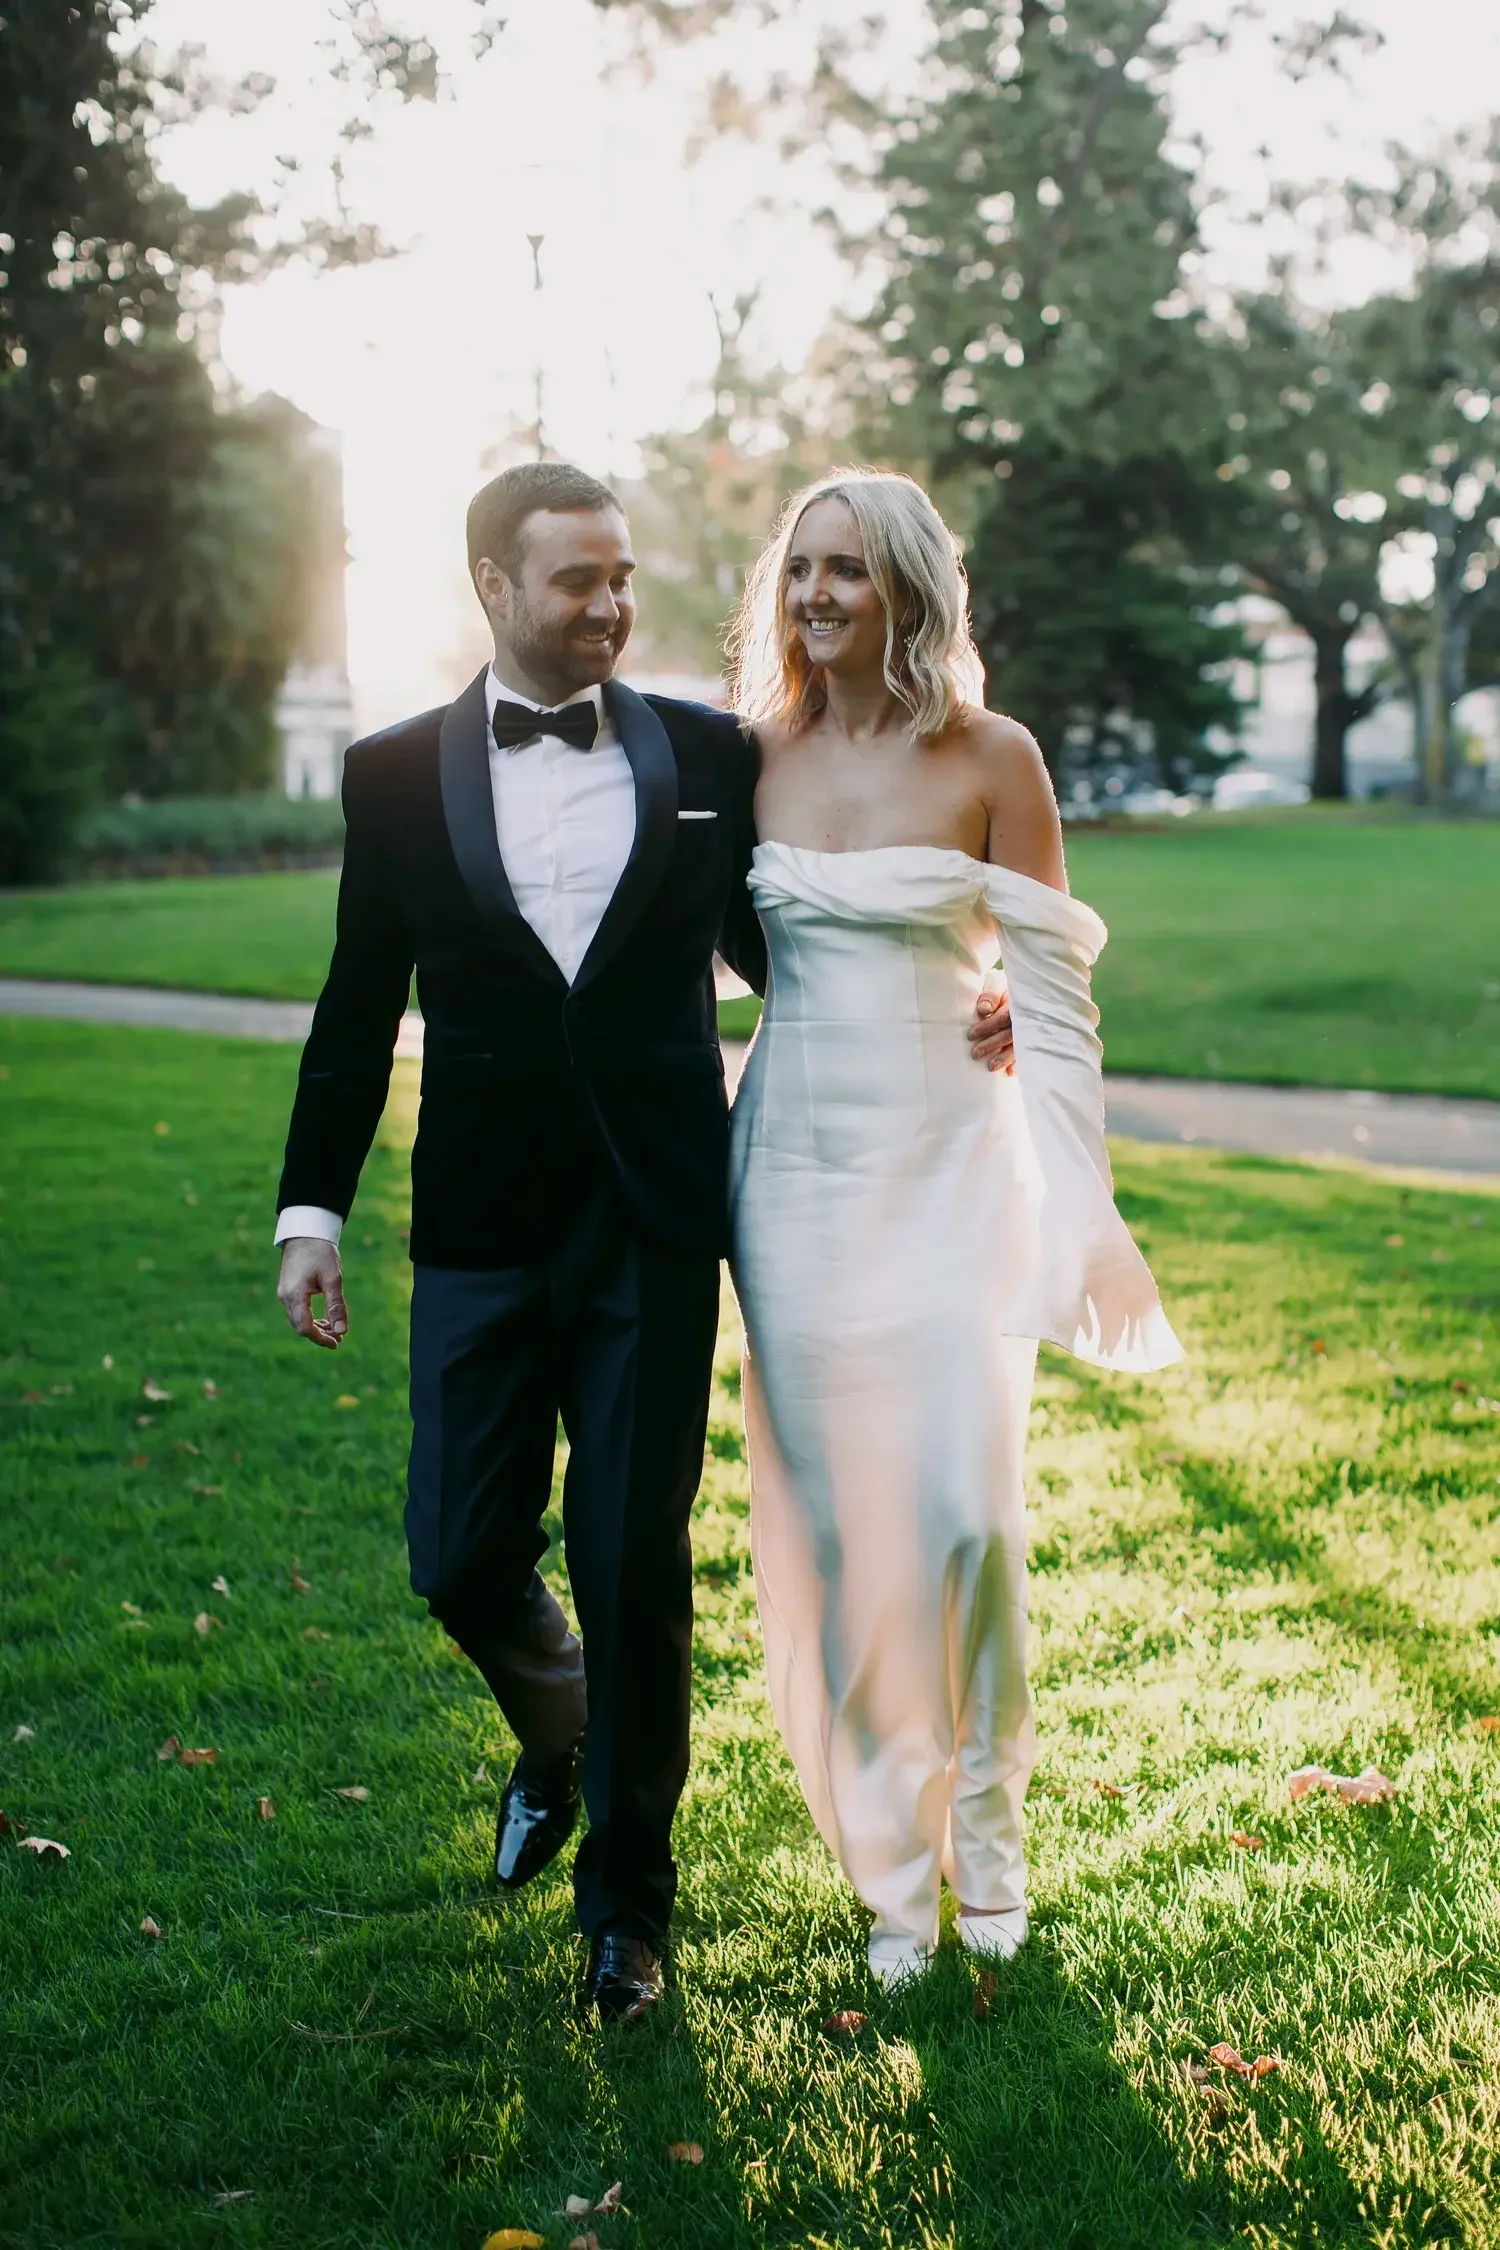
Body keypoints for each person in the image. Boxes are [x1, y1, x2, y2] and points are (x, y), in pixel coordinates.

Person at [272, 462, 1017, 2023]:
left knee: (632, 1557)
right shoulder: (394, 775)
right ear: (491, 587)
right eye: (576, 584)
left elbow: (792, 934)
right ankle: (561, 1727)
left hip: (656, 1226)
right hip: (477, 1222)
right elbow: (354, 1010)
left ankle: (629, 1915)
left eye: (623, 580)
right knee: (458, 1549)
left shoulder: (704, 751)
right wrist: (311, 1209)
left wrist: (962, 995)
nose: (610, 607)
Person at [727, 469, 1182, 1988]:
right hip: (788, 1178)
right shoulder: (755, 757)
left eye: (847, 571)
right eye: (801, 571)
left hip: (955, 1178)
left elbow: (1052, 1003)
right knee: (850, 1534)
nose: (817, 598)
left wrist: (1088, 1208)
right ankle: (893, 1876)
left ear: (910, 587)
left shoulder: (994, 755)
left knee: (968, 1521)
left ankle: (989, 1842)